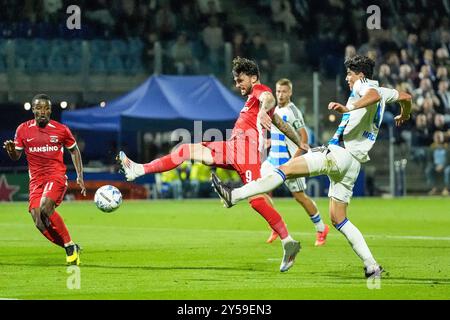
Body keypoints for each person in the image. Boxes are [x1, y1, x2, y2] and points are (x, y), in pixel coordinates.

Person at [211, 55, 413, 278]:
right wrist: (405, 112)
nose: (347, 78)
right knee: (338, 218)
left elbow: (372, 96)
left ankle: (235, 195)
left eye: (350, 74)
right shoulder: (385, 91)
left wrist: (349, 107)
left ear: (361, 75)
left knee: (286, 169)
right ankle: (371, 265)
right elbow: (405, 96)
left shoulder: (365, 86)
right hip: (353, 164)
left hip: (338, 154)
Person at [117, 57, 304, 272]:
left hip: (247, 155)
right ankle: (138, 169)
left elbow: (268, 98)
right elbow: (281, 124)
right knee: (186, 150)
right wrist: (301, 143)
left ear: (253, 78)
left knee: (256, 200)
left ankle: (288, 241)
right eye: (235, 81)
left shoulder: (260, 91)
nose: (237, 85)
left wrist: (263, 110)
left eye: (240, 80)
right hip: (232, 148)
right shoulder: (253, 101)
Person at [2, 94, 86, 265]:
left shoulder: (61, 129)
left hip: (56, 176)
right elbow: (16, 156)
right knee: (39, 221)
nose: (43, 111)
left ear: (50, 110)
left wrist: (79, 175)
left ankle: (69, 246)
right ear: (33, 109)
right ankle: (70, 246)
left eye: (46, 108)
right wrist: (11, 151)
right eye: (39, 108)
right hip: (36, 181)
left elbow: (74, 150)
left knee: (45, 207)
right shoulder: (23, 130)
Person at [262, 78, 330, 246]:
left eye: (284, 91)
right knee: (259, 189)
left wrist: (293, 162)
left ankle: (321, 228)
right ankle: (277, 225)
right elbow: (281, 134)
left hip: (289, 163)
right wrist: (270, 142)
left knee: (300, 197)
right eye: (278, 91)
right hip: (272, 160)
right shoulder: (274, 108)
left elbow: (304, 139)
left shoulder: (293, 112)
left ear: (290, 92)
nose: (280, 94)